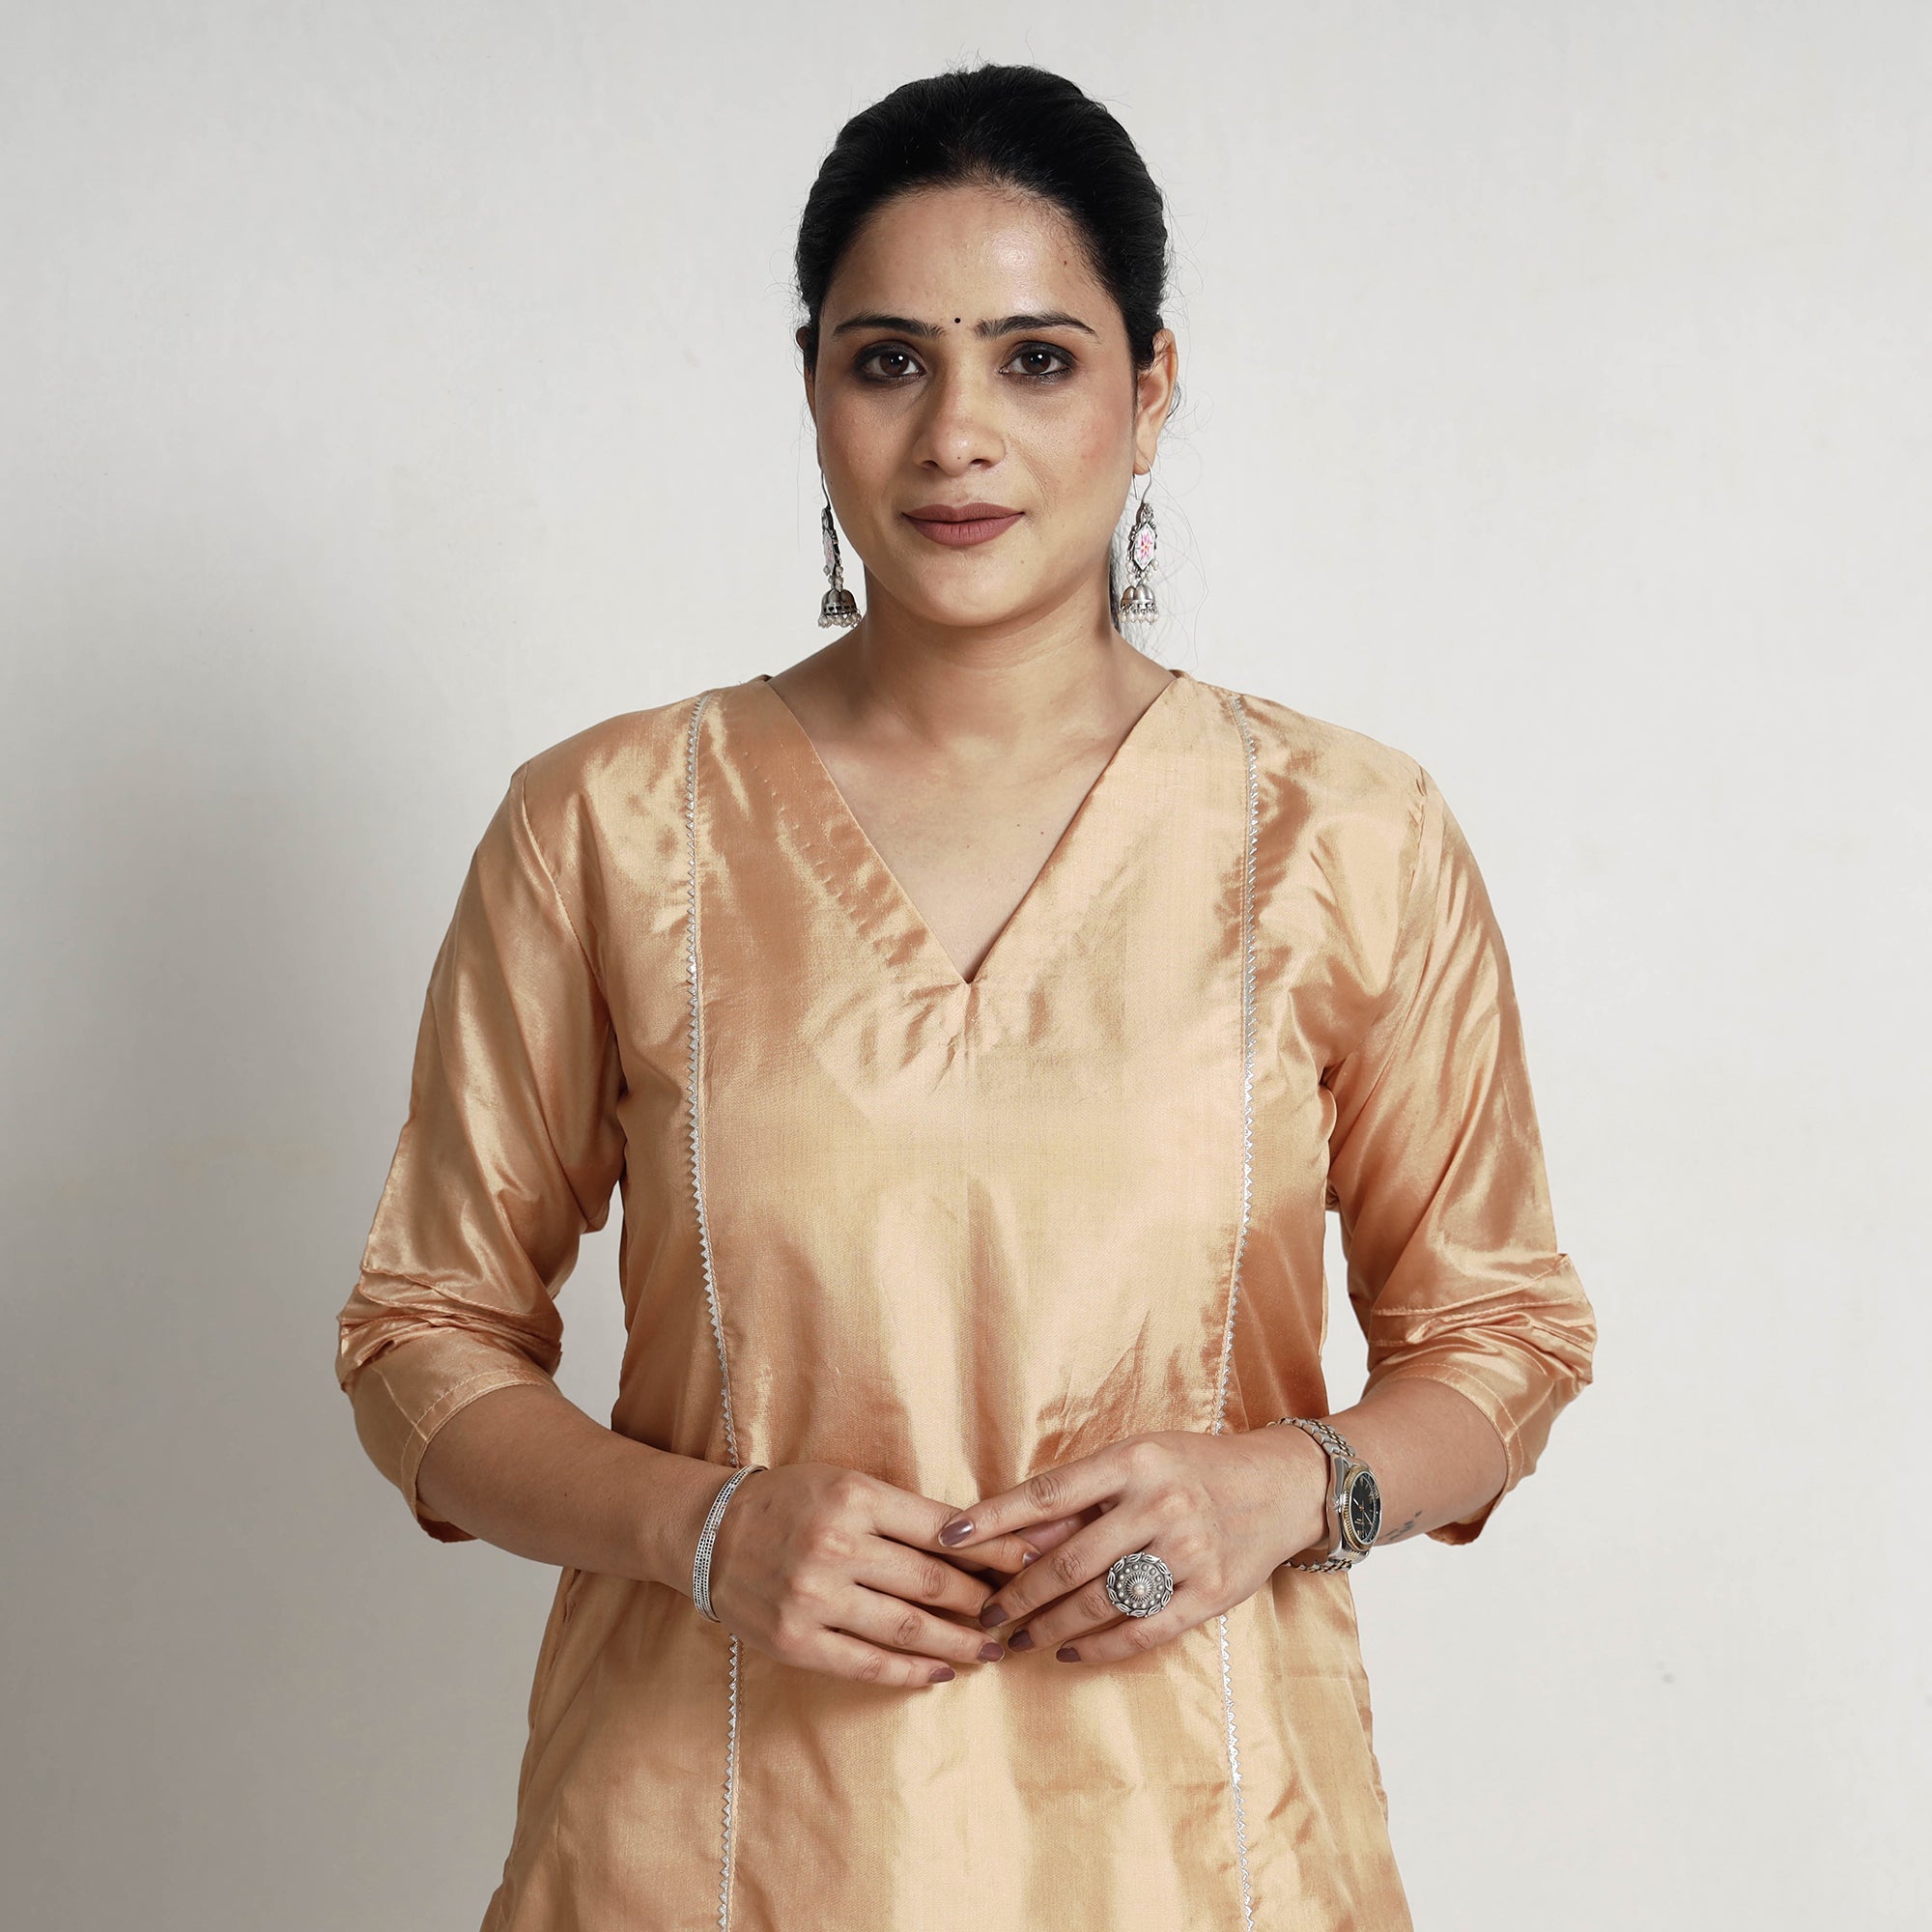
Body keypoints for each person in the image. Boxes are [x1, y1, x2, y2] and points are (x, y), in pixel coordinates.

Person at [333, 61, 1597, 1932]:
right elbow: (420, 1337)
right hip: (713, 1841)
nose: (956, 437)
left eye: (1035, 359)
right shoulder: (612, 827)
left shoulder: (1344, 835)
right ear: (812, 389)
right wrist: (700, 1526)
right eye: (888, 361)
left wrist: (1285, 1484)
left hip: (1200, 1851)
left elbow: (1503, 1333)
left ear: (1150, 389)